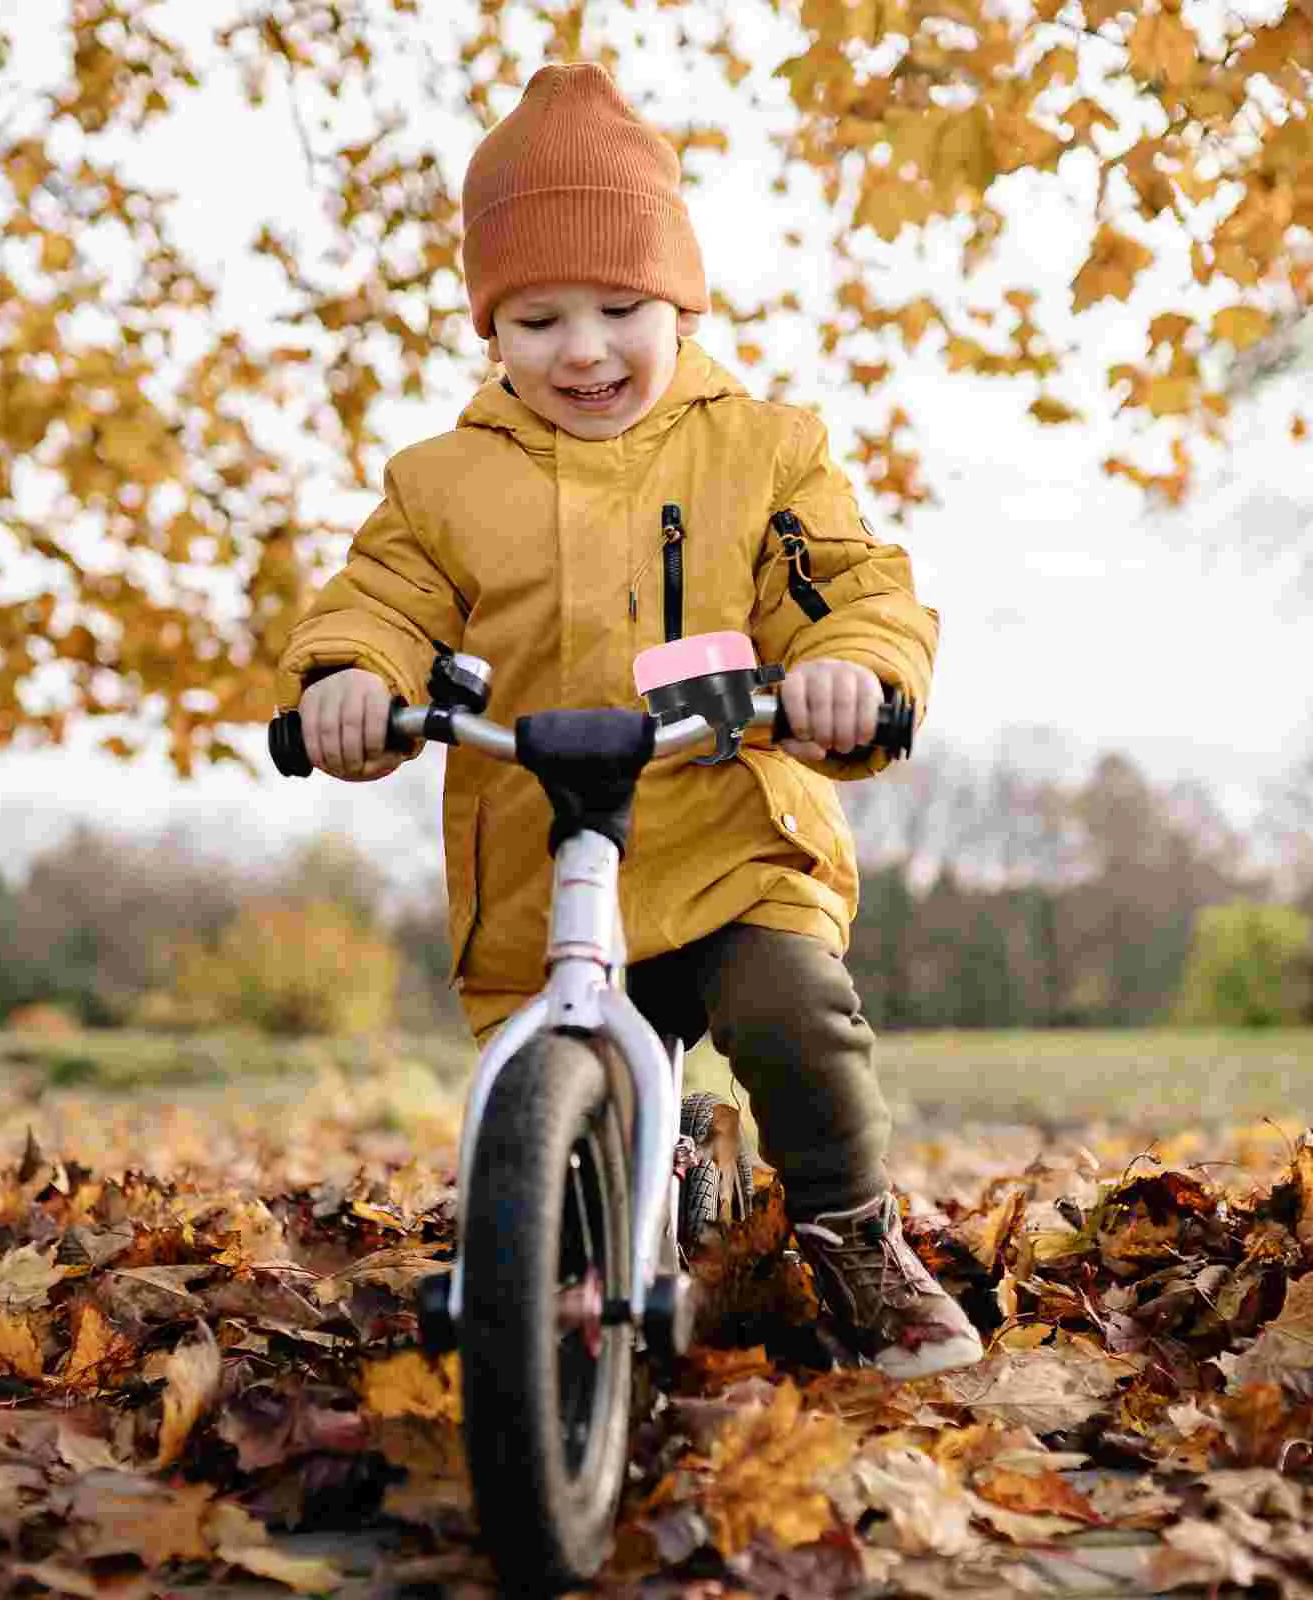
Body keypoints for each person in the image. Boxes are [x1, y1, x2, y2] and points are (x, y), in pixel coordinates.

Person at [277, 62, 982, 1379]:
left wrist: (844, 668)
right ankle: (574, 1267)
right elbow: (382, 600)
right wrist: (347, 681)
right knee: (555, 1114)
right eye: (539, 318)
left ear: (679, 299)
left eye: (619, 308)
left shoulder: (766, 449)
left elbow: (849, 585)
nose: (585, 349)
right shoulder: (441, 485)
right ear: (491, 329)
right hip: (552, 862)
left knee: (791, 1011)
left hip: (727, 834)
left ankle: (852, 1237)